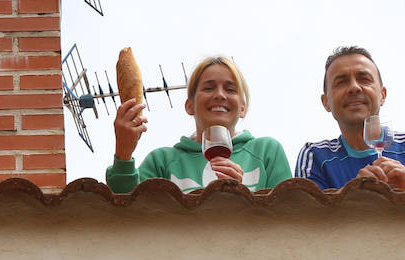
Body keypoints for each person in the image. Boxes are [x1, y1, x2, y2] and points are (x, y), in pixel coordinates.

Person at [106, 55, 292, 193]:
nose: (220, 95)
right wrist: (123, 152)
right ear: (189, 106)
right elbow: (126, 211)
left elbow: (289, 215)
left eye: (230, 89)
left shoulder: (266, 151)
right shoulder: (161, 161)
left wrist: (242, 197)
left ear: (242, 108)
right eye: (209, 88)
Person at [295, 45, 405, 190]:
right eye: (341, 82)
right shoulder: (315, 156)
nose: (354, 87)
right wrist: (352, 196)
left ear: (382, 95)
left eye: (364, 79)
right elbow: (309, 218)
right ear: (326, 102)